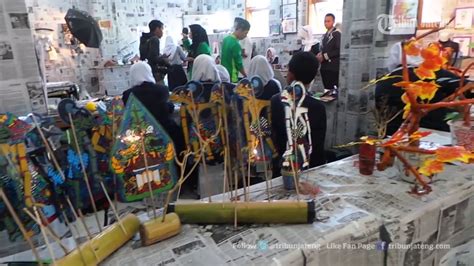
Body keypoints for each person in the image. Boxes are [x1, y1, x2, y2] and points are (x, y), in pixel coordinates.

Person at [376, 42, 469, 135]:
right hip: (435, 130)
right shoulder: (433, 73)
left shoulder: (384, 82)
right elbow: (466, 86)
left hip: (392, 132)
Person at [271, 52, 327, 177]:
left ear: (290, 74)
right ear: (312, 78)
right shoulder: (318, 107)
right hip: (310, 172)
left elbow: (274, 138)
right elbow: (317, 149)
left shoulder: (276, 100)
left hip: (281, 170)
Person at [122, 61, 185, 157]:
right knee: (180, 136)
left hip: (140, 136)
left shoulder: (127, 94)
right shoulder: (162, 89)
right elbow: (165, 109)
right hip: (164, 132)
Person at [221, 18, 250, 83]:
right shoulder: (235, 44)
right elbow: (239, 64)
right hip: (232, 77)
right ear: (239, 30)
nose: (245, 36)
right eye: (245, 33)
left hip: (223, 74)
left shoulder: (226, 39)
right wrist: (246, 76)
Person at [317, 13, 341, 91]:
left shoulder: (337, 34)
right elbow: (323, 49)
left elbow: (338, 50)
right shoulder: (324, 36)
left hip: (333, 67)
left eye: (328, 21)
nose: (326, 23)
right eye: (325, 21)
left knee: (333, 90)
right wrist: (320, 55)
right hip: (324, 67)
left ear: (333, 22)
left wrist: (324, 56)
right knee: (326, 89)